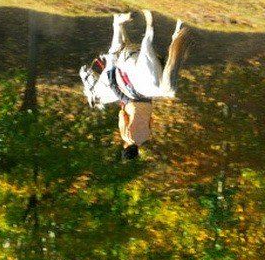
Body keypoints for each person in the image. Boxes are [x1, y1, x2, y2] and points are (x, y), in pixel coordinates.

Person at [80, 11, 190, 160]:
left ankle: (176, 35)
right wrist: (124, 107)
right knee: (112, 79)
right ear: (125, 147)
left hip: (147, 100)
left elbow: (151, 120)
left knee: (164, 72)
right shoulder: (126, 136)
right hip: (130, 101)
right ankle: (112, 63)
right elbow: (122, 115)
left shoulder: (146, 137)